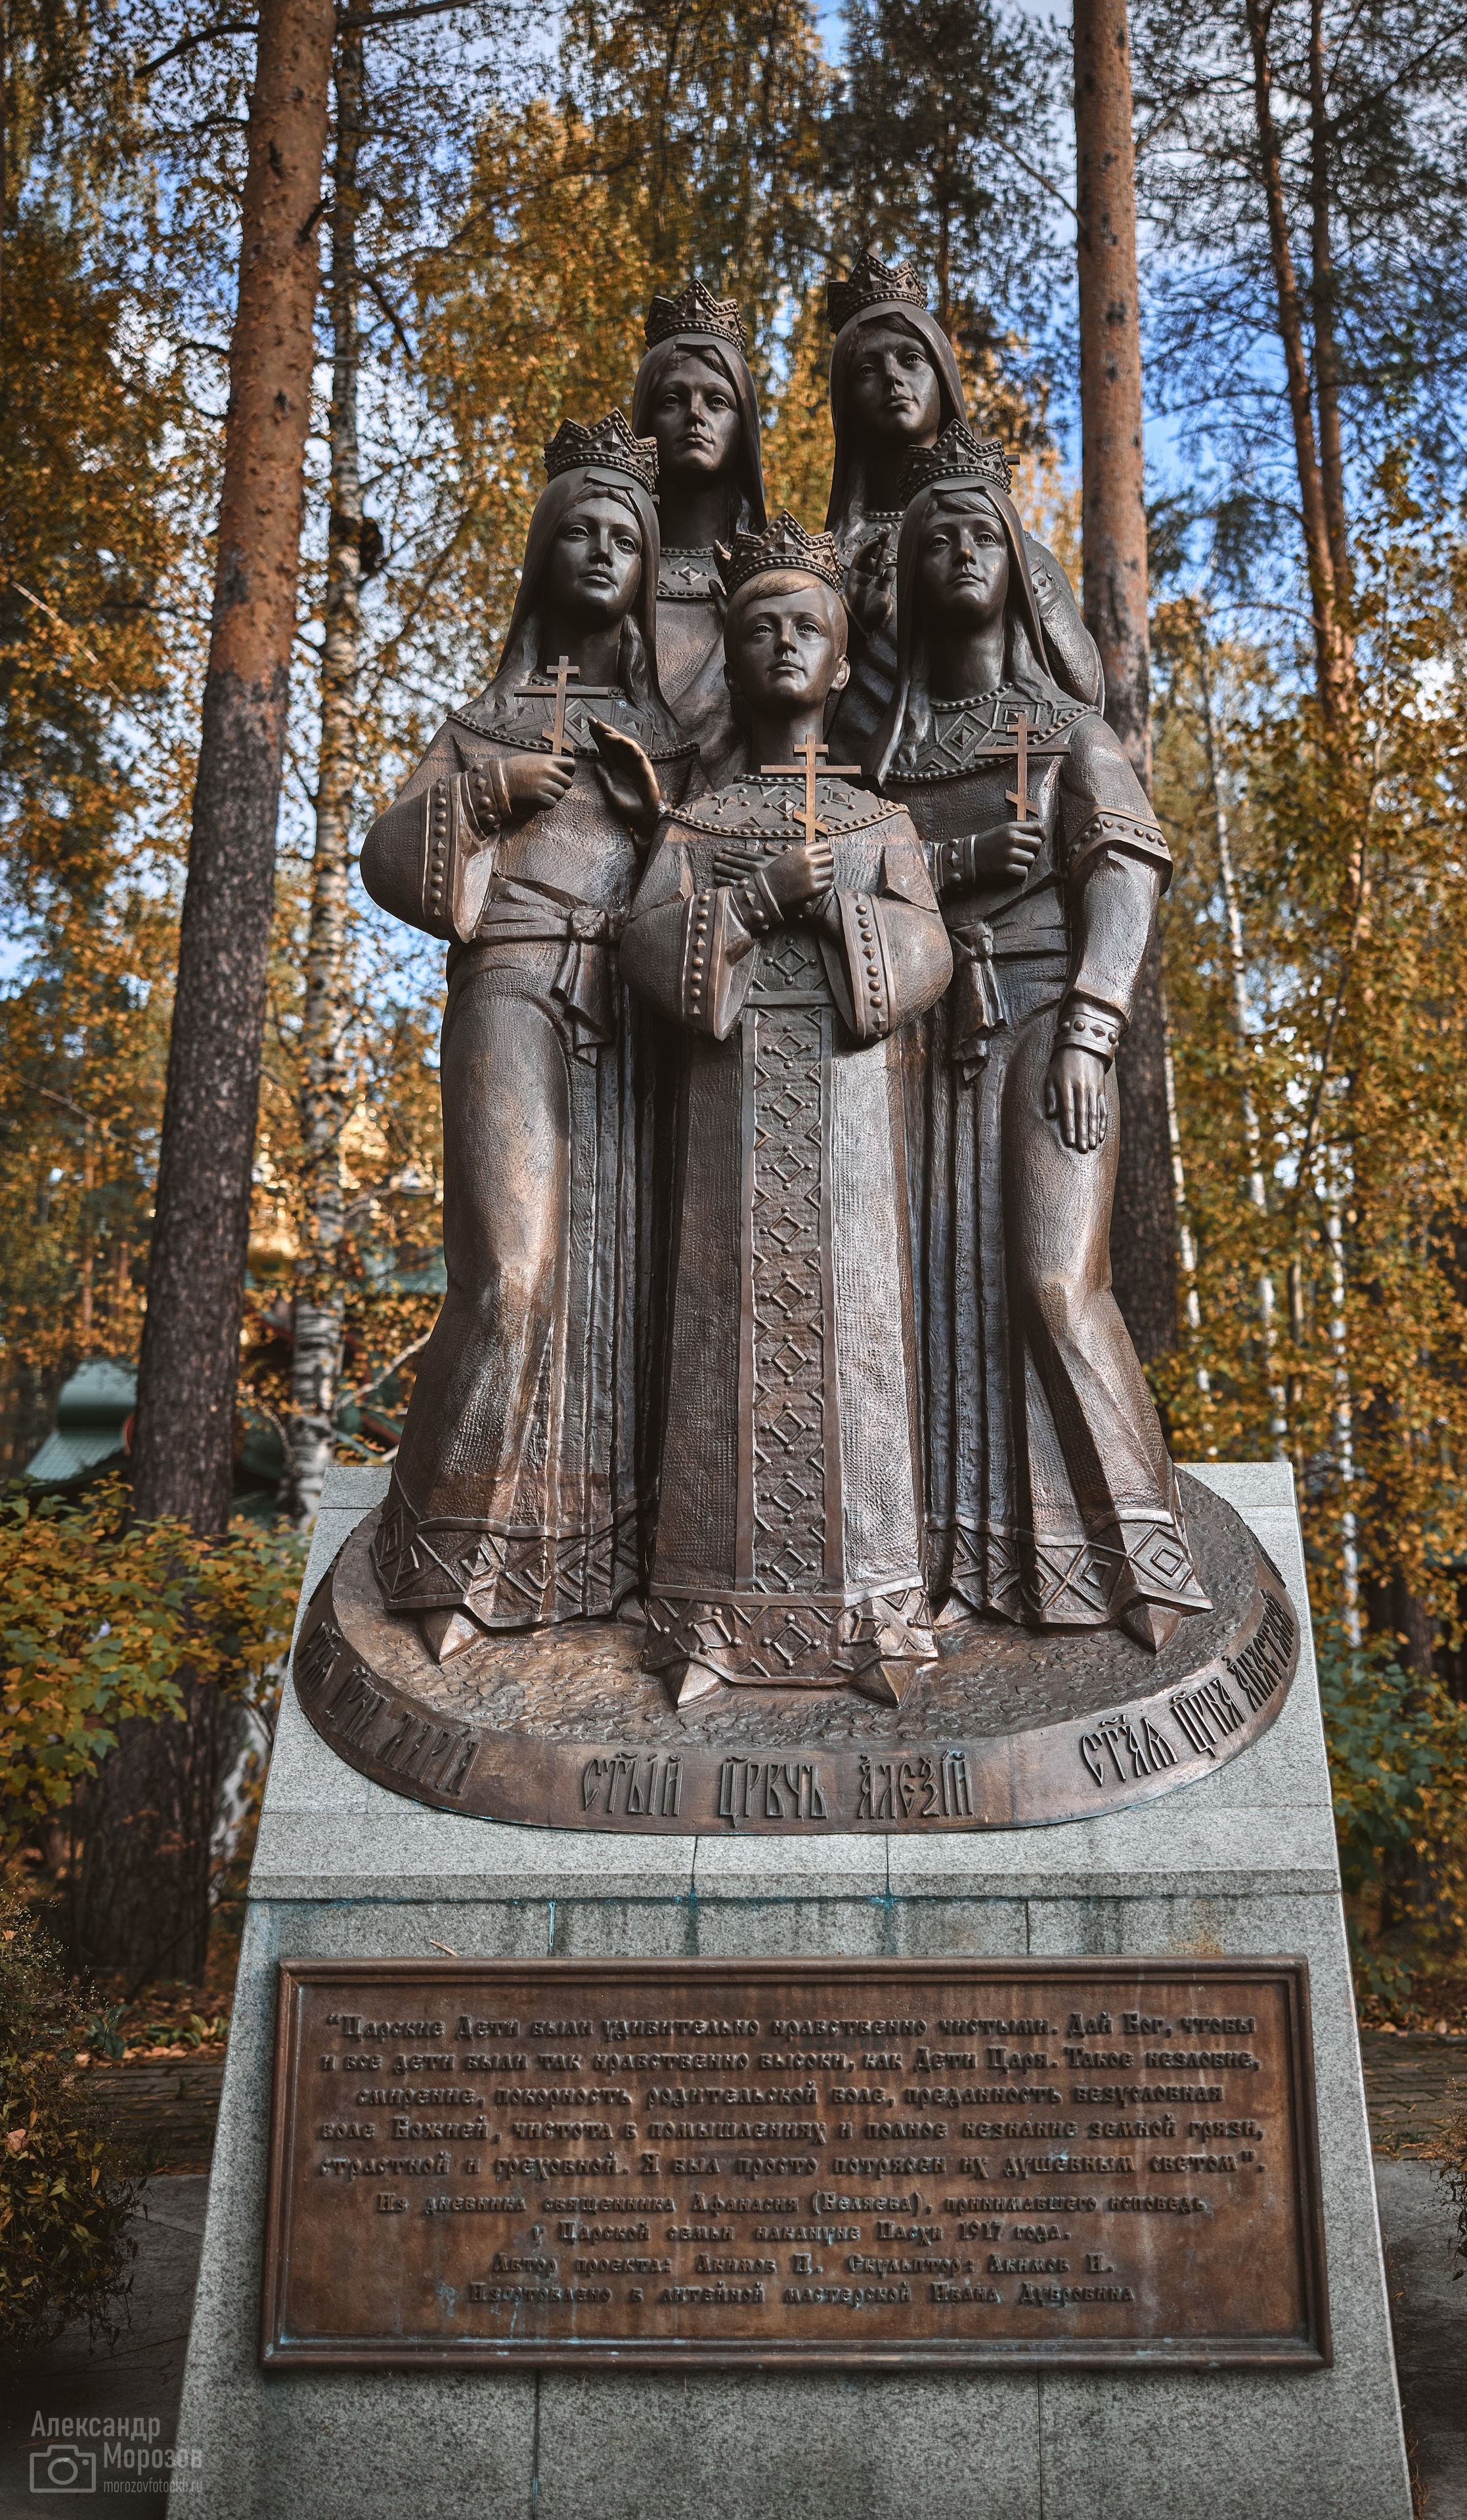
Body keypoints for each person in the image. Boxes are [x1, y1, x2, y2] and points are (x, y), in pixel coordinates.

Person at [868, 422, 1210, 1651]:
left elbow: (1125, 870)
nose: (961, 551)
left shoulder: (1065, 731)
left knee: (1057, 1285)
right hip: (915, 1044)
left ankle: (1146, 1561)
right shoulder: (883, 752)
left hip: (1047, 1029)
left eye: (982, 534)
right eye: (937, 538)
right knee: (927, 1299)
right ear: (904, 575)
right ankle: (975, 1558)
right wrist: (947, 871)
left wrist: (1093, 1028)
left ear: (1018, 565)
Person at [359, 410, 693, 1662]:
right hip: (512, 984)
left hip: (640, 1018)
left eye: (625, 537)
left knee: (633, 1285)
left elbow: (716, 876)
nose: (603, 552)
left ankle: (603, 1552)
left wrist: (666, 818)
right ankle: (446, 1543)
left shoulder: (670, 737)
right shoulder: (480, 721)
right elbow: (391, 856)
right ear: (545, 553)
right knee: (514, 1269)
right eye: (582, 532)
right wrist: (485, 796)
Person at [619, 514, 953, 1705]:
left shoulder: (879, 821)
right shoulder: (699, 825)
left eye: (803, 625)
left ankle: (873, 1616)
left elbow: (928, 951)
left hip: (853, 1135)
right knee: (723, 1337)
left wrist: (843, 915)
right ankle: (712, 1612)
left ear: (842, 660)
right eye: (755, 625)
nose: (778, 643)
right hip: (729, 1131)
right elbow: (645, 945)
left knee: (854, 1347)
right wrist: (756, 896)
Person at [823, 250, 1100, 756]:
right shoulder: (830, 562)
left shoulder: (1010, 547)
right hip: (872, 801)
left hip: (1006, 779)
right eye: (867, 369)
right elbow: (802, 731)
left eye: (911, 360)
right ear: (846, 400)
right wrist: (851, 628)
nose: (892, 379)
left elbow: (1083, 694)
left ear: (943, 378)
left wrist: (1023, 574)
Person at [630, 278, 768, 780]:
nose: (694, 415)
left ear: (743, 425)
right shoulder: (615, 568)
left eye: (717, 401)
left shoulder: (770, 579)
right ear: (646, 418)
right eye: (672, 400)